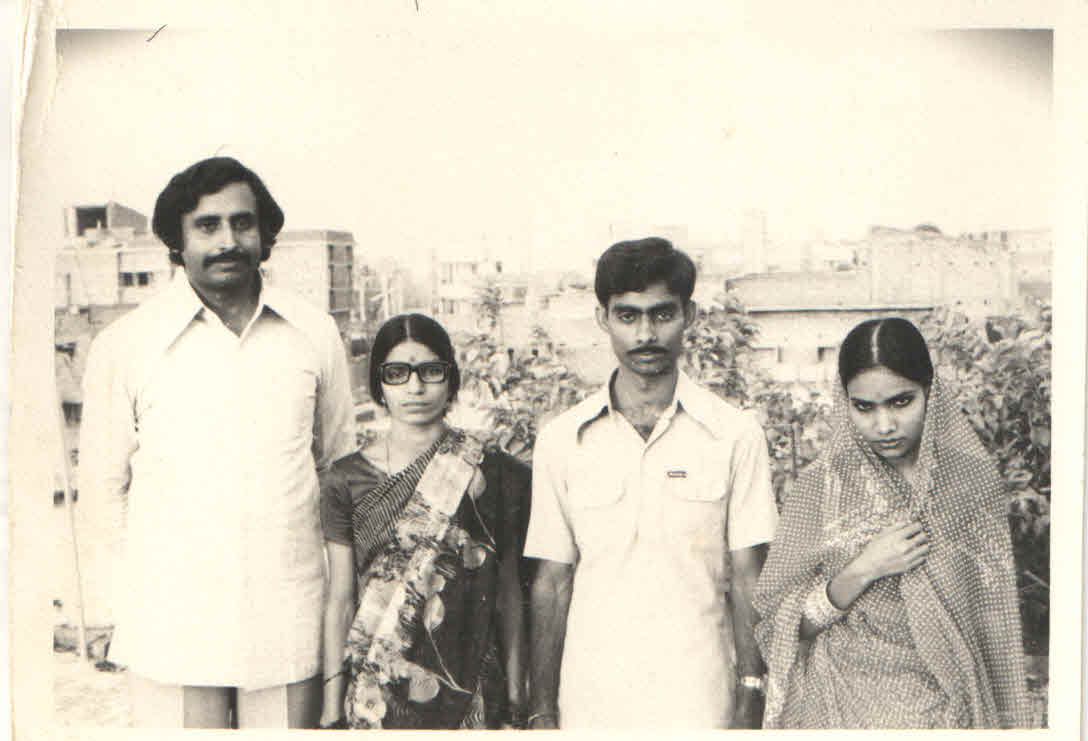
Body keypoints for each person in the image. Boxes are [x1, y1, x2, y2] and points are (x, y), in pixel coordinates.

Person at [78, 157, 356, 728]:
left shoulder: (314, 334)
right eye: (207, 226)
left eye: (242, 223)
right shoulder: (126, 344)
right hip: (172, 625)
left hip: (288, 618)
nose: (228, 241)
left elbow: (339, 471)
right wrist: (119, 608)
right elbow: (102, 491)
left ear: (265, 233)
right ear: (176, 242)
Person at [523, 238, 779, 729]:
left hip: (699, 701)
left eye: (662, 314)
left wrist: (752, 693)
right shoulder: (562, 440)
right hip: (591, 704)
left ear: (689, 316)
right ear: (603, 319)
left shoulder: (734, 435)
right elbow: (552, 581)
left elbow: (749, 575)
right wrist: (542, 710)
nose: (645, 334)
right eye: (628, 316)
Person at [753, 317, 1032, 728]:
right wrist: (864, 569)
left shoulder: (971, 482)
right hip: (844, 705)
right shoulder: (821, 487)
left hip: (954, 707)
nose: (884, 426)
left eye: (901, 402)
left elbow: (996, 621)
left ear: (930, 392)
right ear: (845, 401)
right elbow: (781, 625)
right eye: (864, 407)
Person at [318, 313, 531, 729]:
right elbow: (341, 599)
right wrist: (330, 709)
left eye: (431, 371)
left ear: (451, 378)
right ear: (378, 384)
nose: (415, 388)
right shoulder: (345, 480)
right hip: (377, 692)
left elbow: (507, 592)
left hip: (473, 690)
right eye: (397, 373)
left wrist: (517, 698)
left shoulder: (494, 472)